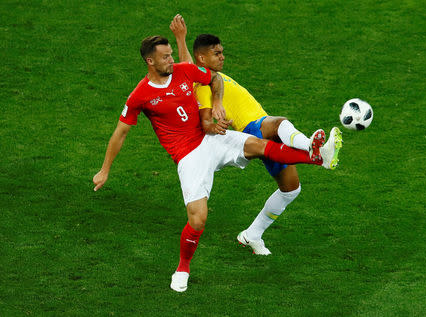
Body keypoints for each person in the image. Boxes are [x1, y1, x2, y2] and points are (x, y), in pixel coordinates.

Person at [93, 35, 338, 292]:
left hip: (212, 139)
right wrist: (105, 169)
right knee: (198, 221)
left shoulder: (184, 71)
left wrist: (218, 102)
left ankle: (315, 156)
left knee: (260, 147)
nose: (171, 60)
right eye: (165, 57)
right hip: (189, 157)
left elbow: (214, 78)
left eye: (171, 54)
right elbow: (120, 133)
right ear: (150, 61)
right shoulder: (140, 96)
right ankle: (183, 268)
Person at [170, 14, 343, 255]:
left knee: (291, 189)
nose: (222, 57)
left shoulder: (202, 75)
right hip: (252, 129)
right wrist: (211, 124)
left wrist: (181, 38)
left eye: (222, 52)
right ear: (203, 58)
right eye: (216, 53)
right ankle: (312, 148)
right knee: (280, 122)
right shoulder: (203, 88)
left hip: (258, 125)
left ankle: (252, 235)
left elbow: (187, 66)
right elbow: (205, 118)